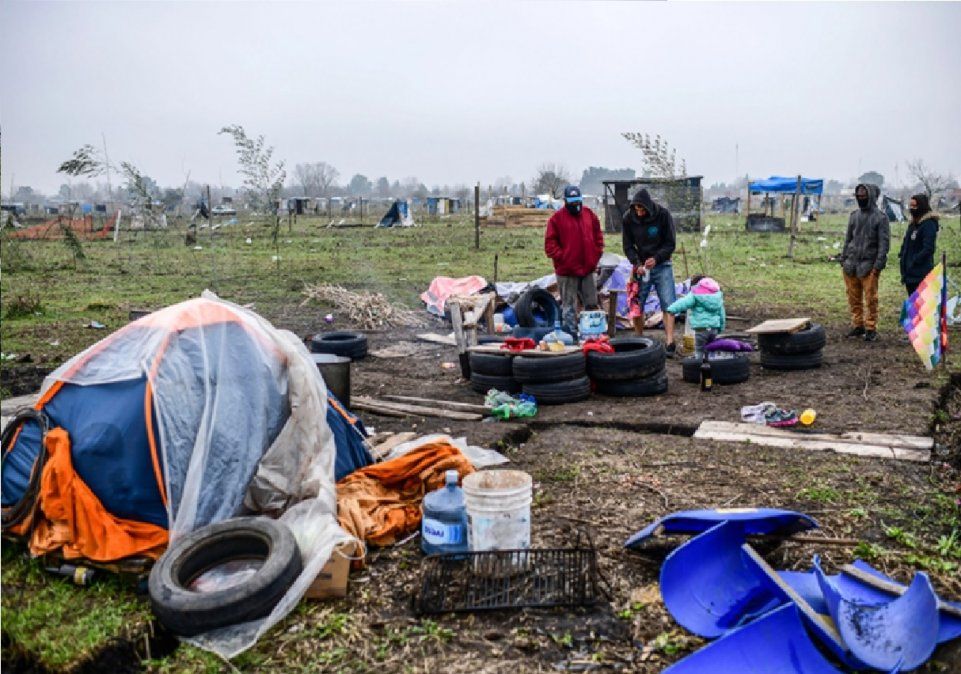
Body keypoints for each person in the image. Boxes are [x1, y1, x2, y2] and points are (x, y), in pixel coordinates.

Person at [622, 188, 678, 355]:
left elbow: (670, 243)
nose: (639, 212)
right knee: (637, 303)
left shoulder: (663, 215)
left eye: (642, 209)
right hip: (641, 268)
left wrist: (658, 258)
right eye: (636, 209)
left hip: (662, 265)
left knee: (668, 302)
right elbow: (628, 246)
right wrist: (637, 263)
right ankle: (639, 339)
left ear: (648, 206)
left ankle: (670, 342)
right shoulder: (628, 218)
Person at [544, 185, 604, 336]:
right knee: (569, 306)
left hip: (588, 269)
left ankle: (591, 334)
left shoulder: (589, 215)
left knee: (591, 304)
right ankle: (571, 335)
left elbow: (598, 237)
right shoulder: (556, 220)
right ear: (565, 201)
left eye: (578, 201)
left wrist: (595, 255)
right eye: (572, 202)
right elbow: (550, 245)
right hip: (567, 271)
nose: (576, 205)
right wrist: (564, 258)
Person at [840, 183, 890, 342]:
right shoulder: (853, 216)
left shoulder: (881, 218)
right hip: (850, 265)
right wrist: (843, 259)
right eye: (858, 196)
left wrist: (878, 266)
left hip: (869, 266)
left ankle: (870, 328)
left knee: (871, 299)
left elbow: (884, 244)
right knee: (853, 298)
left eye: (864, 195)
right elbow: (848, 239)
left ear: (872, 197)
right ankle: (857, 325)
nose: (860, 198)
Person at [665, 276, 726, 358]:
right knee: (710, 350)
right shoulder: (717, 297)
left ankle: (698, 366)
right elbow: (722, 315)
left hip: (701, 330)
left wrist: (671, 309)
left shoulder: (695, 294)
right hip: (714, 329)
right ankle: (710, 365)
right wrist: (720, 328)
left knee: (699, 350)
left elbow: (683, 303)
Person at [899, 193, 940, 296]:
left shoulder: (928, 225)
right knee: (913, 304)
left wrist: (915, 260)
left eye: (914, 206)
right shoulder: (913, 224)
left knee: (922, 306)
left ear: (921, 206)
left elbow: (928, 248)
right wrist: (902, 254)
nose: (912, 209)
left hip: (921, 273)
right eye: (910, 206)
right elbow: (906, 242)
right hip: (909, 274)